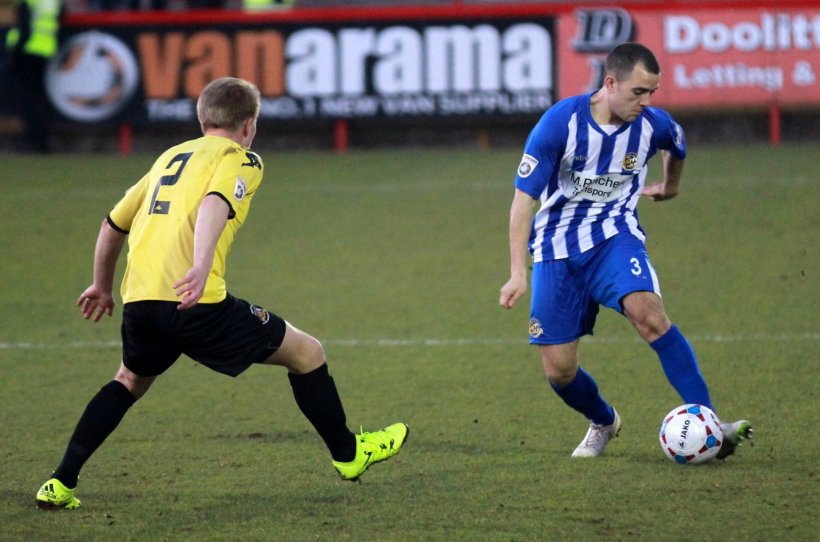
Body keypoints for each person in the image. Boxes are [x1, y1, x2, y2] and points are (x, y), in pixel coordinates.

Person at [35, 77, 408, 510]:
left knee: (129, 381)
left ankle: (60, 482)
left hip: (141, 301)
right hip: (197, 302)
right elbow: (215, 202)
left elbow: (112, 224)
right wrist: (199, 265)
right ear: (249, 125)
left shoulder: (169, 157)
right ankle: (349, 454)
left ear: (202, 120)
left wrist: (101, 285)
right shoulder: (242, 158)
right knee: (308, 354)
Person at [498, 43, 752, 459]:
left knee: (650, 315)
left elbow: (678, 146)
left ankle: (710, 423)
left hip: (614, 236)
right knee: (559, 371)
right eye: (638, 92)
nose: (646, 101)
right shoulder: (560, 123)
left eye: (652, 92)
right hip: (555, 249)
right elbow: (523, 200)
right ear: (610, 83)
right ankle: (603, 421)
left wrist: (671, 187)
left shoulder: (653, 124)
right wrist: (516, 271)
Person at [4, 0, 63, 153]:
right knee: (39, 98)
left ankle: (35, 139)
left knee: (26, 99)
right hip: (46, 49)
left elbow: (25, 27)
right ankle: (42, 140)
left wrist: (14, 54)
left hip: (27, 51)